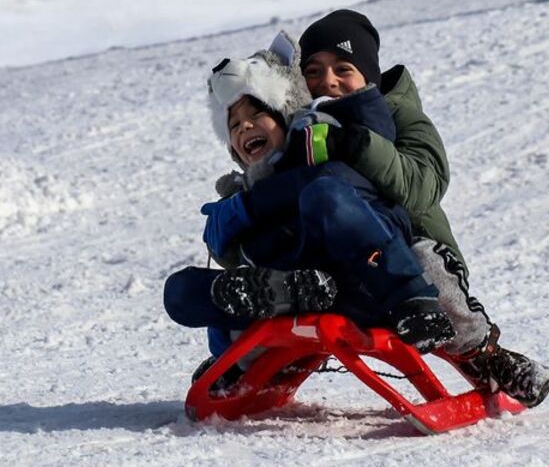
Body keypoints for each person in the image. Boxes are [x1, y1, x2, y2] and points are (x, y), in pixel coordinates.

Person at [289, 9, 549, 407]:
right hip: (339, 269)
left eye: (343, 68)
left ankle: (484, 355)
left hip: (412, 257)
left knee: (423, 261)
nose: (328, 81)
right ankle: (259, 362)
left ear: (369, 77)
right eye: (314, 70)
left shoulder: (401, 116)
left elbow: (421, 187)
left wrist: (355, 143)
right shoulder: (301, 132)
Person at [165, 33, 456, 390]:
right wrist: (227, 236)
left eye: (257, 113)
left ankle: (413, 298)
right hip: (296, 292)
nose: (245, 127)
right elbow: (237, 260)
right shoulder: (242, 194)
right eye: (234, 124)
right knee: (179, 291)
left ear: (287, 113)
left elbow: (334, 187)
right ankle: (248, 342)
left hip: (366, 283)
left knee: (323, 194)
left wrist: (251, 207)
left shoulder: (320, 141)